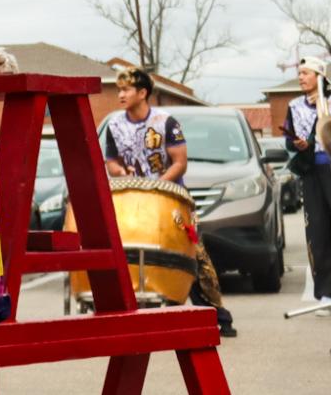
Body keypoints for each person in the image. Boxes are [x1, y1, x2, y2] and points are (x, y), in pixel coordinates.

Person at [101, 67, 236, 338]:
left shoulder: (166, 122)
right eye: (119, 90)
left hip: (169, 199)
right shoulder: (115, 125)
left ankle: (216, 314)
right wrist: (119, 171)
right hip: (132, 198)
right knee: (131, 252)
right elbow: (112, 161)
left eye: (126, 90)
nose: (121, 95)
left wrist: (159, 184)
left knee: (193, 255)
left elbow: (180, 163)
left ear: (143, 93)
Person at [286, 56, 331, 306]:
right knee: (317, 230)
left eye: (306, 73)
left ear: (319, 76)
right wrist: (298, 144)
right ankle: (325, 292)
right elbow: (287, 139)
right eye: (299, 73)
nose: (301, 77)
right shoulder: (294, 106)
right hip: (311, 172)